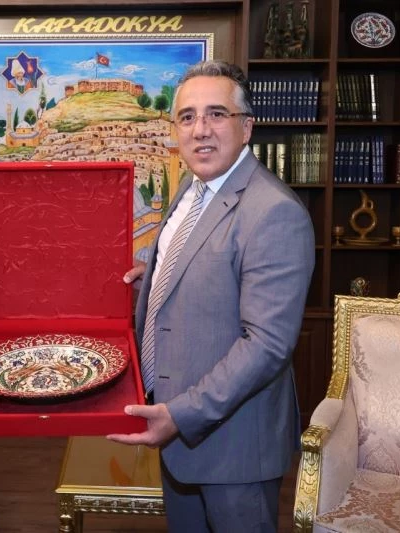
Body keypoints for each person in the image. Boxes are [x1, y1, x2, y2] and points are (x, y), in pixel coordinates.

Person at [108, 60, 315, 532]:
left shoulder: (274, 212)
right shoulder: (191, 186)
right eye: (187, 117)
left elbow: (266, 345)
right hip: (177, 436)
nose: (200, 130)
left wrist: (180, 415)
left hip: (233, 448)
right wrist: (154, 281)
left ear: (247, 128)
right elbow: (196, 267)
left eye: (217, 114)